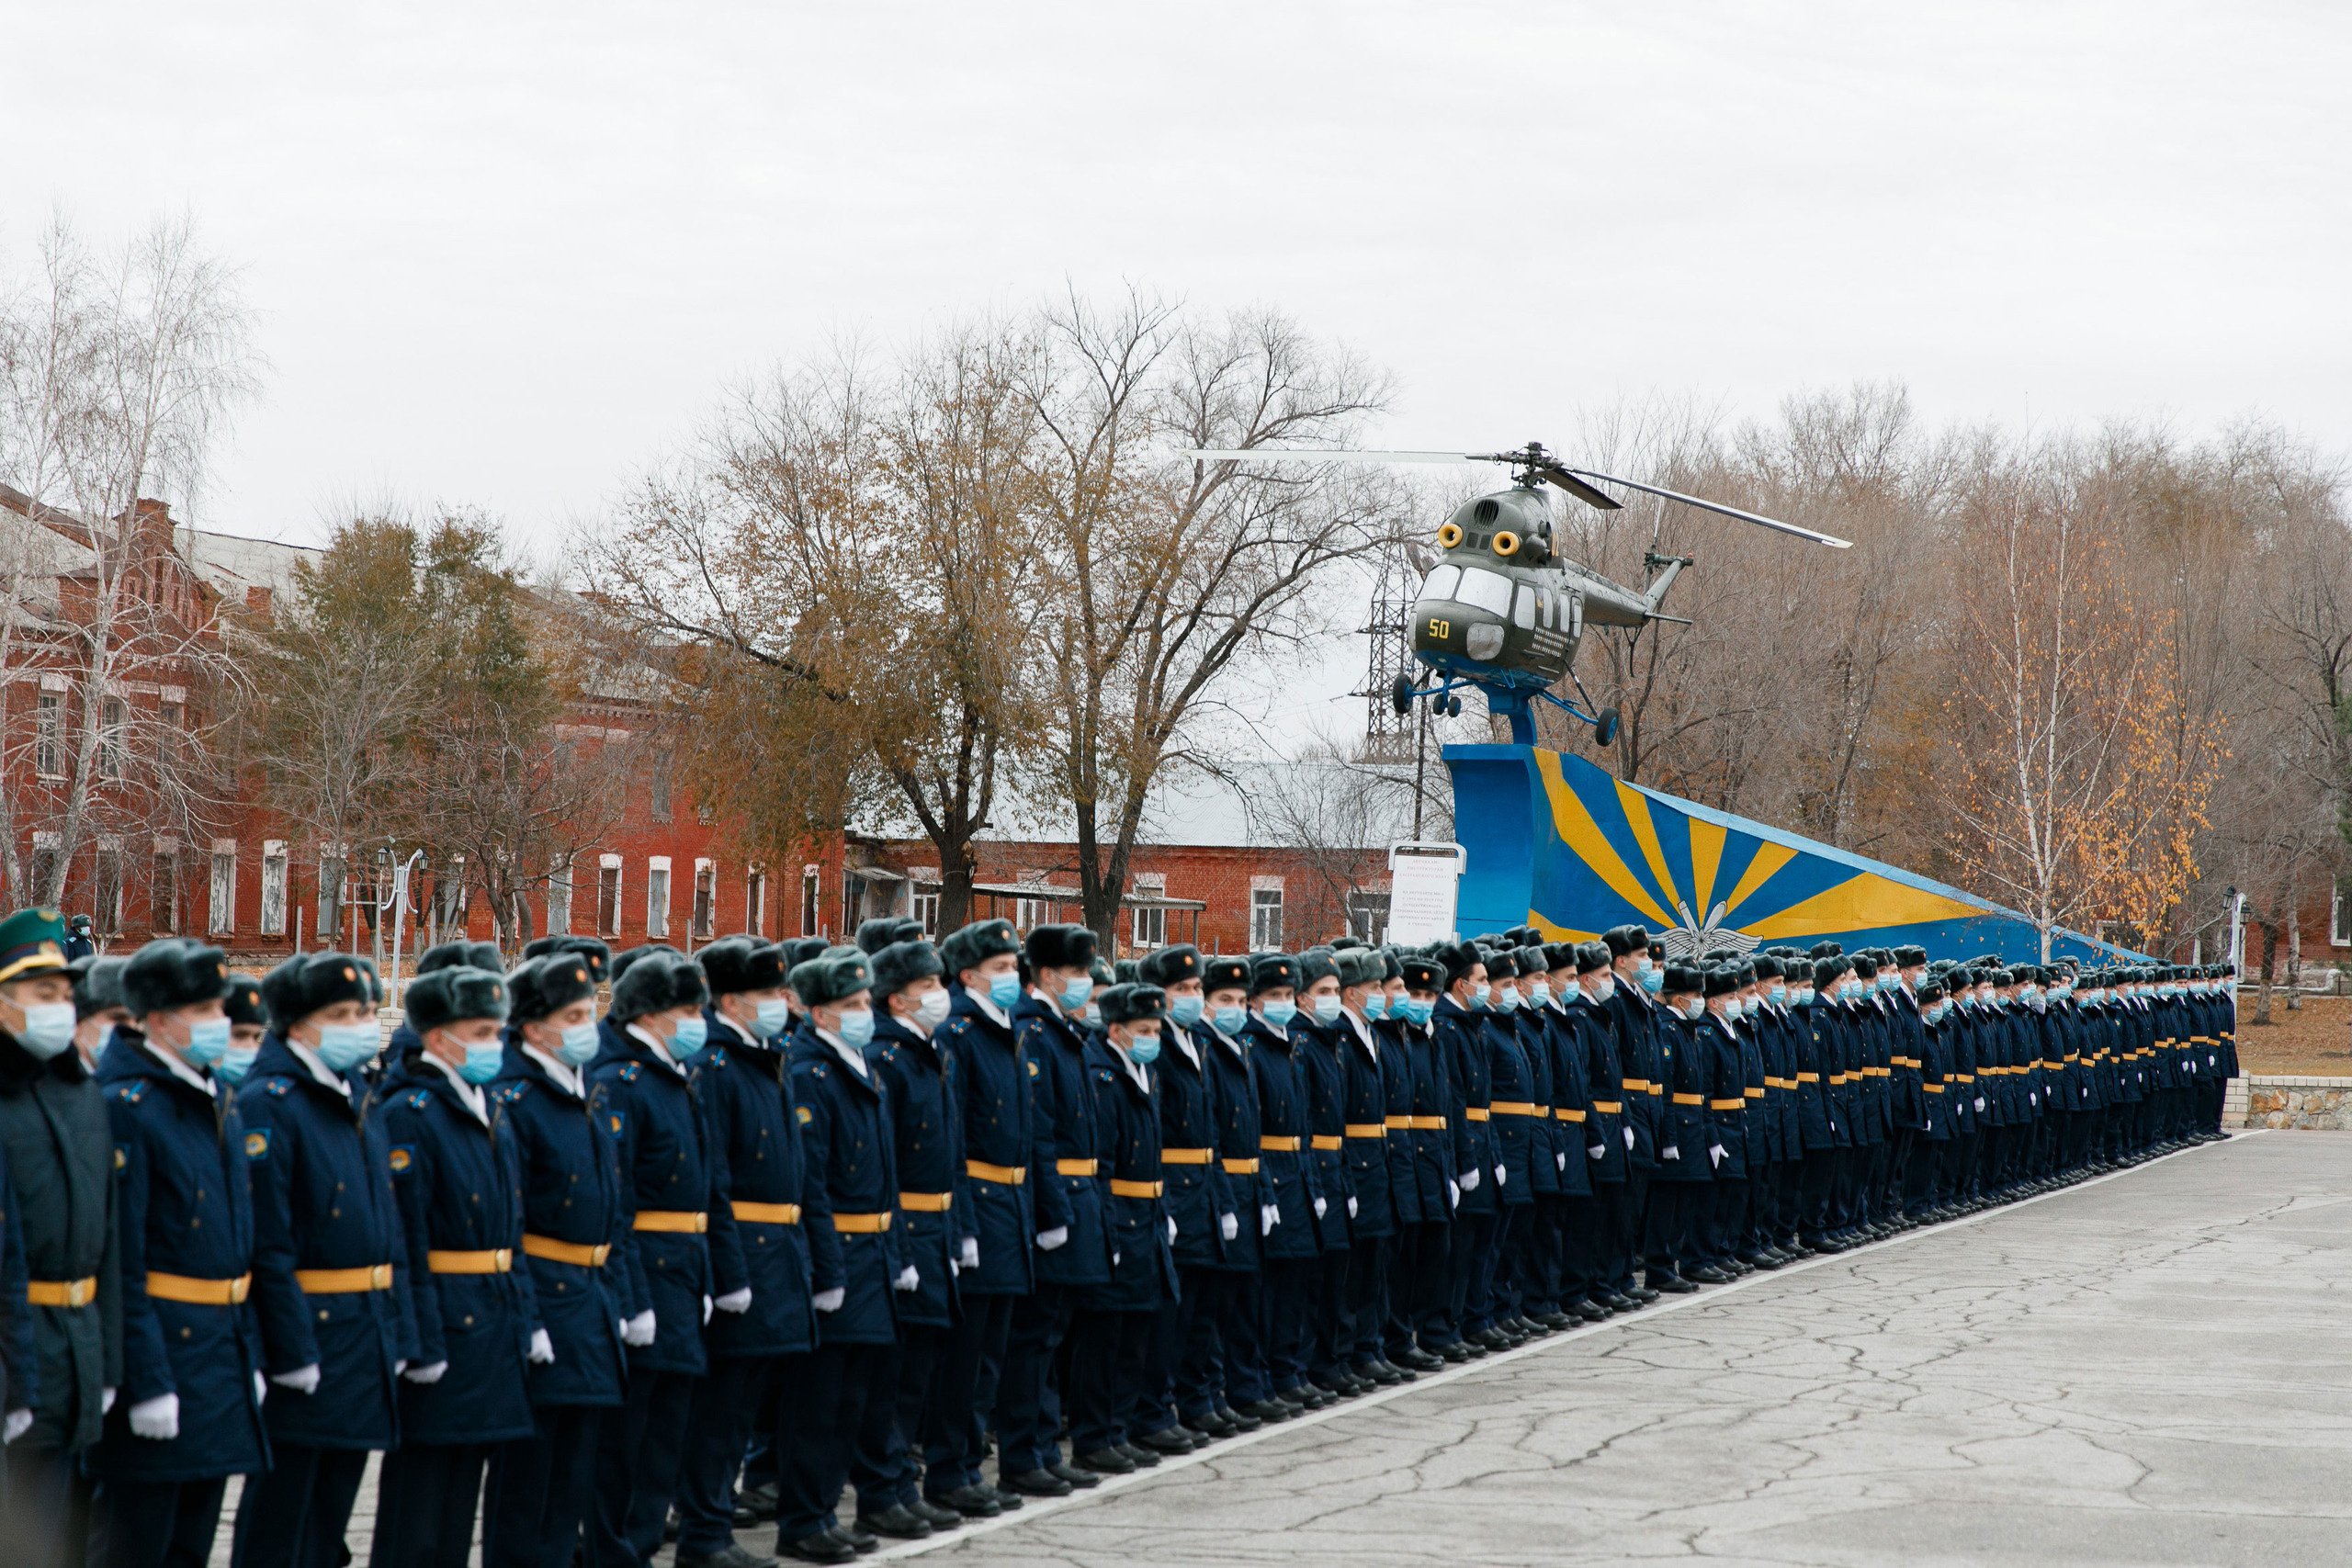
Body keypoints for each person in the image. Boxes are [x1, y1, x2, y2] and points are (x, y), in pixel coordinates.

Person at [93, 937, 277, 1568]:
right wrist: (146, 1381)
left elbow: (238, 1246)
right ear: (159, 1017)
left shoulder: (216, 1097)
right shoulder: (128, 1106)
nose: (219, 1024)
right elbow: (124, 1259)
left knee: (192, 1542)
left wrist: (248, 1350)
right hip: (166, 1355)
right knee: (136, 1542)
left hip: (220, 1357)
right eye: (204, 1009)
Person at [231, 952, 411, 1568]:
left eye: (364, 1011)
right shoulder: (271, 1101)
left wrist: (398, 1326)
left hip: (364, 1330)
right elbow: (270, 1244)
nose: (361, 1023)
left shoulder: (355, 1091)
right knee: (284, 1516)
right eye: (341, 1013)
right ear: (298, 1023)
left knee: (332, 1507)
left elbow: (389, 1227)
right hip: (309, 1330)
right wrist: (291, 1347)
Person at [374, 964, 538, 1568]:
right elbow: (407, 1237)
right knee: (420, 1496)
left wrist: (524, 1317)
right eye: (480, 1030)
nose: (495, 1042)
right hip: (444, 1315)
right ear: (439, 1037)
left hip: (490, 1318)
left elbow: (510, 1226)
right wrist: (420, 1340)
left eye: (498, 1029)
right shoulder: (412, 1111)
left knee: (463, 1485)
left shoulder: (486, 1102)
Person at [482, 953, 634, 1568]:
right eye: (572, 1014)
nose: (588, 1023)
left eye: (590, 1009)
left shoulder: (582, 1088)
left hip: (590, 1299)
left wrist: (619, 1297)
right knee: (530, 1473)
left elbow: (611, 1211)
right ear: (531, 1026)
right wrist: (529, 1317)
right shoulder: (515, 1098)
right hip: (546, 1296)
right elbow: (511, 1223)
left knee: (573, 1464)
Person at [672, 935, 815, 1568]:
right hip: (742, 1258)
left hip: (775, 1253)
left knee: (741, 1404)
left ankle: (713, 1524)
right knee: (721, 1408)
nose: (780, 1003)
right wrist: (729, 1272)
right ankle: (703, 1530)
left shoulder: (762, 1057)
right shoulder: (716, 1065)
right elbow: (716, 1179)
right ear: (729, 999)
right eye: (766, 993)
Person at [589, 947, 729, 1567]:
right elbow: (616, 1199)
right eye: (687, 1008)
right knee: (627, 1434)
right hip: (645, 1269)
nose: (698, 1019)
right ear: (648, 1012)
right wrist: (632, 1294)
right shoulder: (623, 1081)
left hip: (683, 1269)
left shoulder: (676, 1073)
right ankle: (610, 1548)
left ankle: (640, 1544)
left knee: (668, 1425)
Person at [775, 947, 906, 1565]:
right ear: (820, 1012)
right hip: (839, 1256)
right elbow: (814, 1183)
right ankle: (803, 1518)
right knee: (819, 1398)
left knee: (855, 1394)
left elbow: (886, 1175)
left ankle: (825, 1509)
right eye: (852, 1005)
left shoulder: (858, 1065)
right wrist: (826, 1268)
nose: (865, 1013)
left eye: (866, 1002)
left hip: (871, 1251)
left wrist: (895, 1248)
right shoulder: (809, 1072)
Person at [0, 909, 121, 1568]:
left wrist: (107, 1361)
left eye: (66, 993)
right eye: (43, 993)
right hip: (21, 1356)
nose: (61, 1007)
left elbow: (109, 1241)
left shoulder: (80, 1093)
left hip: (75, 1350)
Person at [850, 933, 959, 1542]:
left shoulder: (928, 1050)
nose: (939, 996)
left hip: (937, 1226)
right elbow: (886, 1164)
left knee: (919, 1367)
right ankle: (881, 1488)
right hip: (905, 1231)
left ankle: (899, 1483)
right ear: (896, 999)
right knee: (890, 1376)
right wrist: (901, 1246)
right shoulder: (890, 1058)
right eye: (927, 986)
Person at [923, 918, 1033, 1520]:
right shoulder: (961, 1031)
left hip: (1008, 1208)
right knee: (964, 1353)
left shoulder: (1001, 1026)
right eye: (1001, 968)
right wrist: (962, 1224)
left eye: (1014, 966)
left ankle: (968, 1465)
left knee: (991, 1348)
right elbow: (956, 1138)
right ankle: (949, 1468)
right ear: (968, 975)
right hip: (979, 1209)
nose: (1012, 976)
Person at [996, 924, 1109, 1496]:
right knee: (1034, 1336)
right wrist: (1051, 1213)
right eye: (1077, 972)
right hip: (1051, 1201)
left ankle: (1040, 1446)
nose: (1086, 983)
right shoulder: (1035, 1033)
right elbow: (1039, 1136)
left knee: (1052, 1331)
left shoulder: (1063, 1030)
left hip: (1075, 1199)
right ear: (1045, 976)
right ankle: (1022, 1453)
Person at [1064, 981, 1177, 1473]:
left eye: (1156, 1028)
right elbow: (1102, 1167)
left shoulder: (1141, 1071)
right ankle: (1094, 1434)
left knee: (1136, 1332)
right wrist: (1107, 1229)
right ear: (1115, 1030)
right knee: (1105, 1337)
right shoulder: (1103, 1077)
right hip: (1118, 1221)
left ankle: (1121, 1426)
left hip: (1146, 1219)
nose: (1153, 1037)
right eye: (1143, 1029)